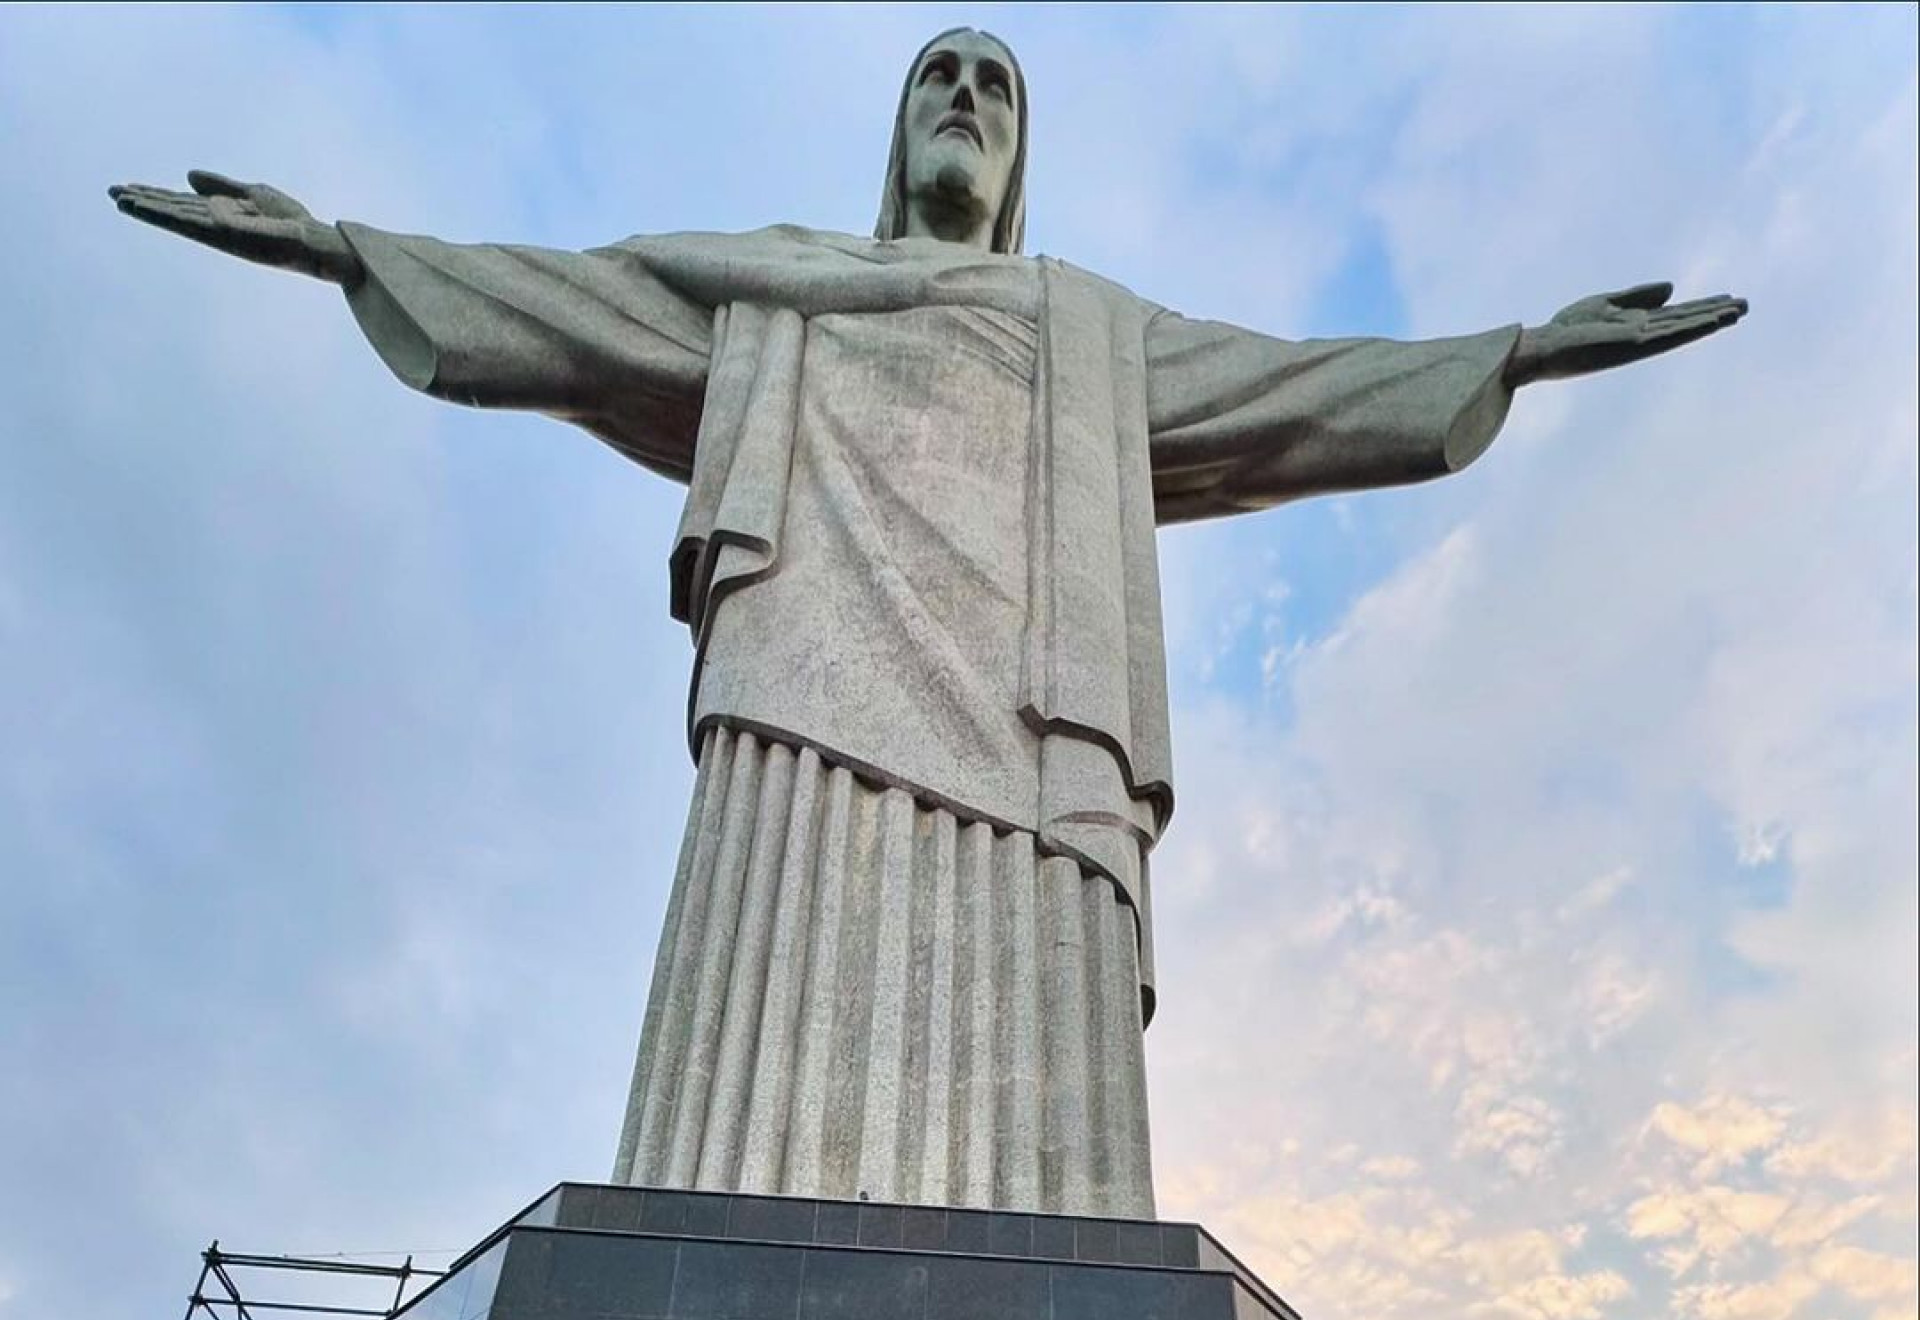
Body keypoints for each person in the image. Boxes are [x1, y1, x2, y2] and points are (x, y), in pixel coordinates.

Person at [111, 33, 1744, 1222]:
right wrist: (343, 249)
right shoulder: (769, 288)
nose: (964, 98)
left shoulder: (1090, 331)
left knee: (1047, 1128)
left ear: (1019, 154)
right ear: (895, 132)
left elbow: (1298, 392)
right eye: (936, 76)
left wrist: (1515, 353)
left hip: (1039, 735)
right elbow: (567, 307)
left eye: (997, 85)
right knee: (739, 1102)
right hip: (798, 702)